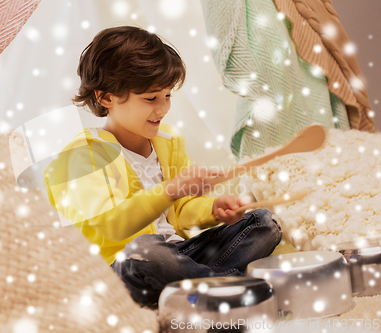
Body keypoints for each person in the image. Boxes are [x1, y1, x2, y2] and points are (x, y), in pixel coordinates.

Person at [43, 25, 282, 308]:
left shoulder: (167, 141)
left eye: (167, 95)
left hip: (176, 256)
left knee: (263, 222)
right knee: (145, 250)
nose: (163, 107)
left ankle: (203, 288)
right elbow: (113, 226)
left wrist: (213, 208)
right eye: (150, 98)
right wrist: (169, 189)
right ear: (106, 97)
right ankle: (222, 290)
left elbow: (181, 212)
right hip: (121, 270)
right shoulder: (83, 155)